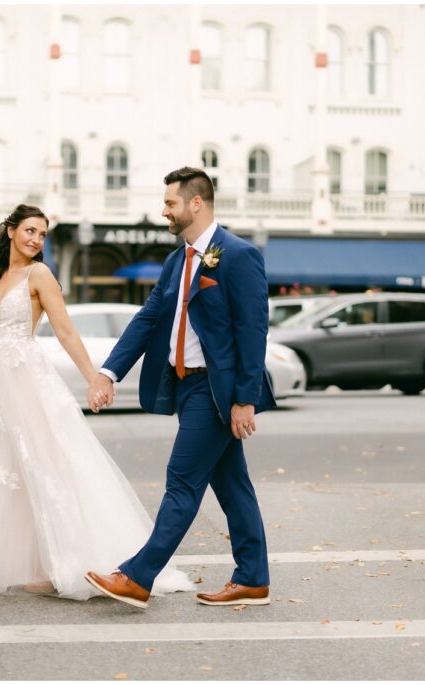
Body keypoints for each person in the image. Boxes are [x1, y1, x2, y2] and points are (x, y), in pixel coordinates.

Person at [0, 204, 194, 600]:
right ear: (10, 231)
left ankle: (64, 564)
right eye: (29, 230)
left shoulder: (39, 274)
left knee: (43, 468)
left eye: (42, 234)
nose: (35, 239)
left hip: (24, 383)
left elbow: (65, 332)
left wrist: (94, 377)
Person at [85, 167, 275, 609]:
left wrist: (244, 398)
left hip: (216, 391)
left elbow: (253, 330)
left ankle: (137, 576)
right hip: (186, 387)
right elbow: (149, 319)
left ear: (196, 203)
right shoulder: (177, 260)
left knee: (182, 483)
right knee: (232, 487)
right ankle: (252, 578)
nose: (163, 210)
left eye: (170, 203)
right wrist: (109, 372)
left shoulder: (239, 255)